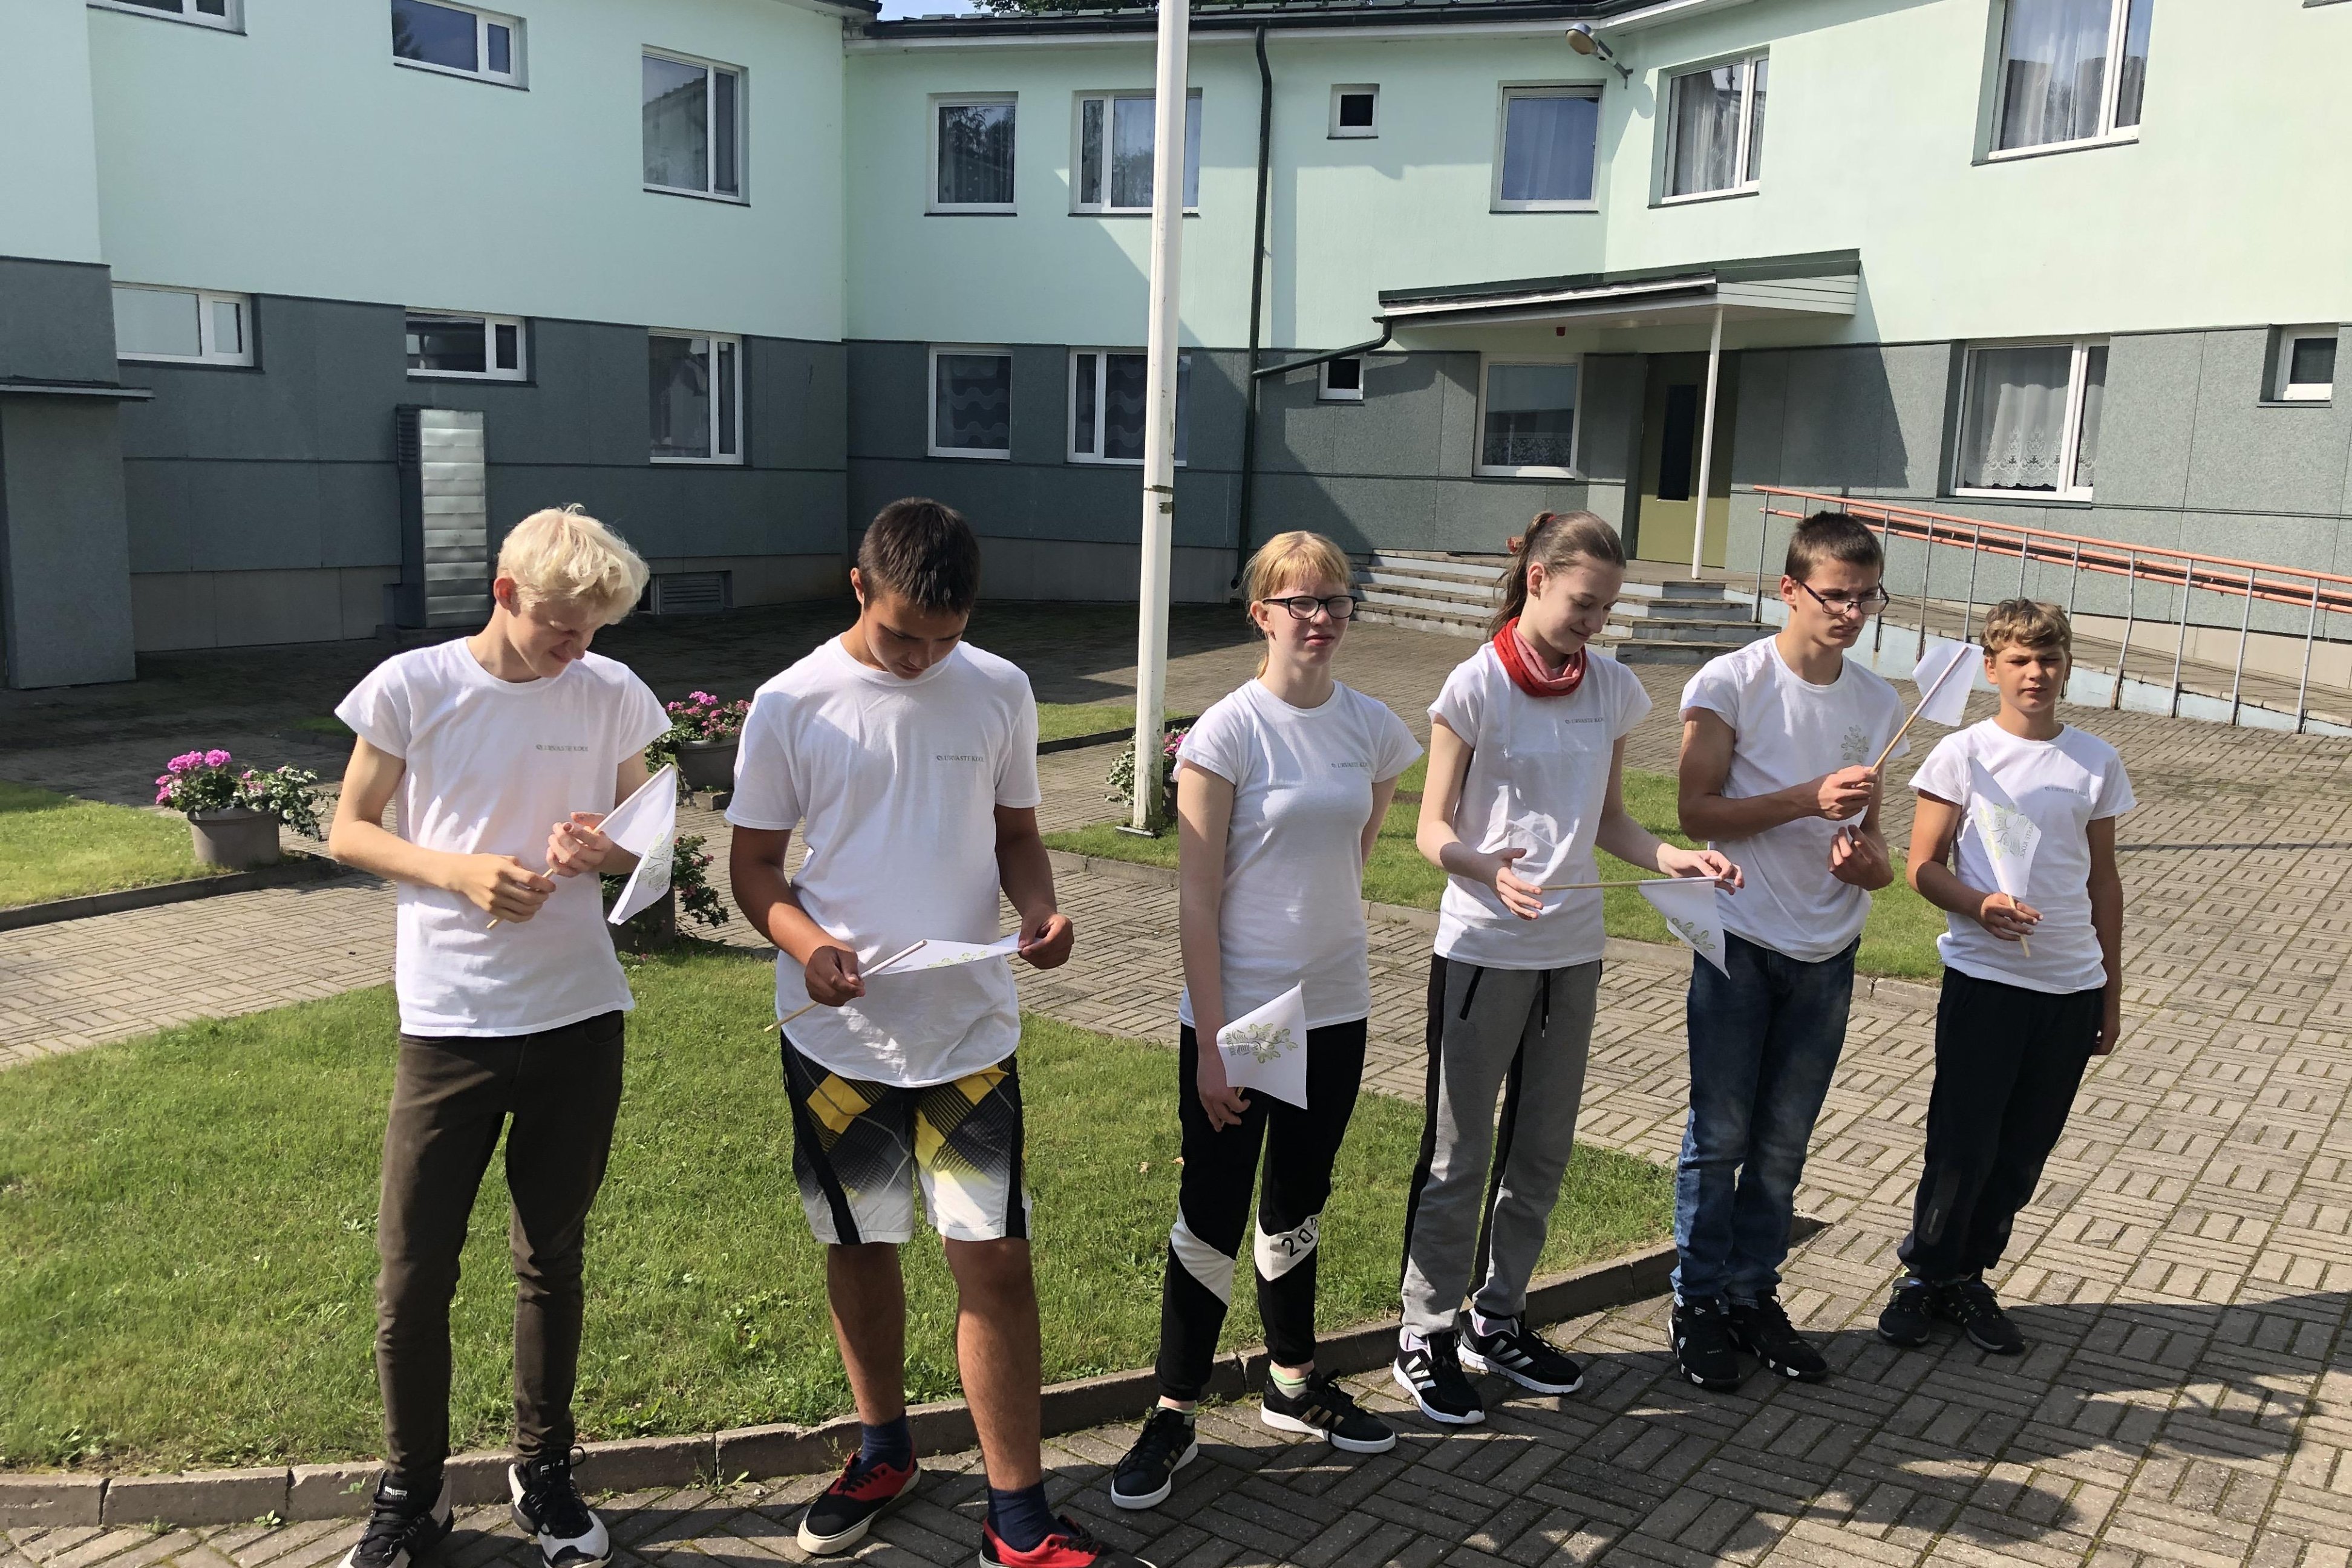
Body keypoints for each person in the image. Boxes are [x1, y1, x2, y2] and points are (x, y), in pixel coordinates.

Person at [727, 500, 1138, 1568]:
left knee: (994, 1262)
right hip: (839, 1041)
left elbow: (1017, 835)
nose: (923, 658)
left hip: (968, 1038)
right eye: (905, 635)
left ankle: (1016, 1514)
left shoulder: (998, 688)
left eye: (947, 638)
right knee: (859, 1246)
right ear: (858, 587)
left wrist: (1040, 910)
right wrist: (807, 944)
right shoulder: (792, 702)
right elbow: (754, 867)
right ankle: (883, 1450)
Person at [326, 506, 669, 1568]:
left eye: (596, 629)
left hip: (577, 1015)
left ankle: (543, 1470)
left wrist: (605, 847)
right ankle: (412, 1490)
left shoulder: (611, 691)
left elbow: (648, 837)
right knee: (412, 1272)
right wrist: (459, 871)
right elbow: (348, 829)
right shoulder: (412, 686)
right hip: (449, 1022)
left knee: (551, 1258)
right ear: (506, 593)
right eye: (564, 625)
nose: (579, 648)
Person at [1393, 512, 1737, 1426]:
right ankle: (1423, 1331)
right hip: (1483, 949)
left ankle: (1496, 1317)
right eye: (1585, 602)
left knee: (1542, 1149)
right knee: (1459, 1154)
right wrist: (1484, 870)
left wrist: (1676, 859)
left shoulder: (1613, 688)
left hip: (1574, 952)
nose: (1596, 622)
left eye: (1607, 608)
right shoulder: (1474, 685)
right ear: (1538, 580)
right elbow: (1430, 829)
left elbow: (1610, 821)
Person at [1108, 531, 1422, 1511]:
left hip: (1335, 1007)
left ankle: (1293, 1380)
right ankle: (1174, 1409)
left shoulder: (1373, 728)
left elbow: (1353, 856)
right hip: (1244, 1013)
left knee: (1298, 1198)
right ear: (1262, 614)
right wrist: (1212, 1041)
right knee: (1210, 1209)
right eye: (1299, 602)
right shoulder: (1227, 733)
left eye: (1334, 599)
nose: (1320, 617)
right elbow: (1196, 902)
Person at [1671, 510, 1907, 1392]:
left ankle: (1752, 1295)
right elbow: (1696, 810)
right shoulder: (1731, 682)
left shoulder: (1879, 702)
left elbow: (1876, 841)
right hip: (1739, 938)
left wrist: (1873, 865)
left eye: (1867, 597)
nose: (1852, 613)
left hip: (1828, 948)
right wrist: (1806, 799)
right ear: (1789, 590)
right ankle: (1697, 1302)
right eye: (1836, 595)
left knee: (1783, 1143)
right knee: (1719, 1138)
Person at [1880, 600, 2131, 1355]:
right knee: (1962, 1144)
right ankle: (1925, 1274)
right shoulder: (1963, 754)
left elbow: (2104, 882)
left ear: (2067, 667)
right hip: (1986, 980)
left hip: (2070, 986)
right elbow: (1921, 865)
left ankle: (1969, 1277)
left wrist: (2110, 991)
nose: (2036, 673)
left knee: (2023, 1151)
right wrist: (1978, 904)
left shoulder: (2095, 761)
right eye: (2019, 659)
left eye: (2049, 658)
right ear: (1991, 668)